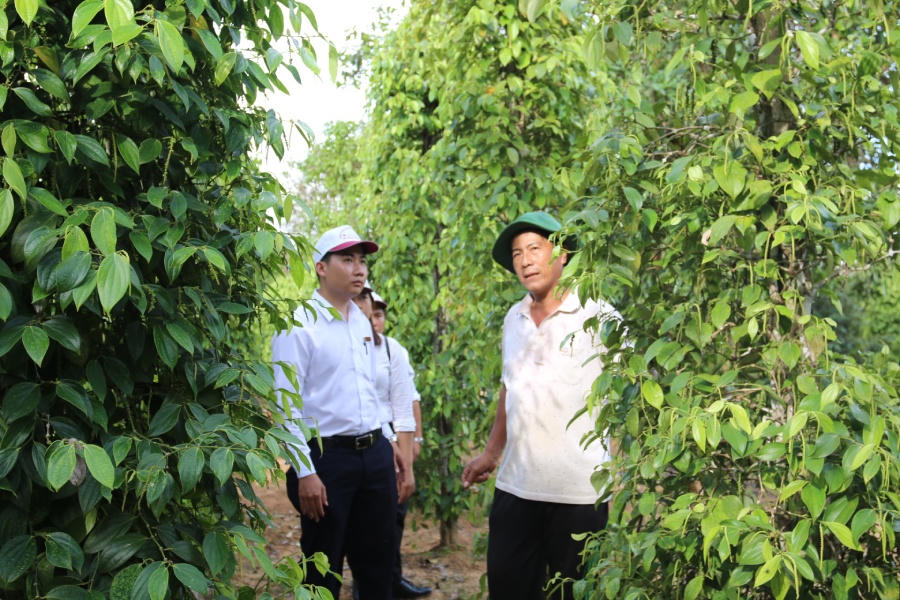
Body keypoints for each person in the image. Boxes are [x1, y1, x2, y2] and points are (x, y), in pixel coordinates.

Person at [461, 211, 620, 600]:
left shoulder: (598, 315)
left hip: (578, 496)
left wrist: (628, 470)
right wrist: (491, 453)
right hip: (517, 488)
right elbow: (510, 387)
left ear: (562, 253)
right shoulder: (513, 318)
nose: (525, 260)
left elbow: (633, 389)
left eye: (534, 248)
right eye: (517, 253)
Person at [271, 225, 396, 600]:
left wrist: (388, 441)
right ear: (321, 268)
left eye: (362, 261)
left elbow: (370, 391)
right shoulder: (298, 325)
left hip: (373, 454)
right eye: (347, 259)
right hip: (327, 460)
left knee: (378, 563)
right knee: (322, 568)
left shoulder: (359, 320)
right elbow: (286, 406)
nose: (359, 269)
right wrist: (305, 471)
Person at [370, 291, 431, 598]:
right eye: (369, 314)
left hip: (397, 433)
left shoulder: (393, 350)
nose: (374, 321)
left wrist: (415, 439)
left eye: (379, 315)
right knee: (372, 519)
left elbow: (411, 398)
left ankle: (393, 579)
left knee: (396, 514)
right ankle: (369, 584)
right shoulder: (353, 349)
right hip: (374, 437)